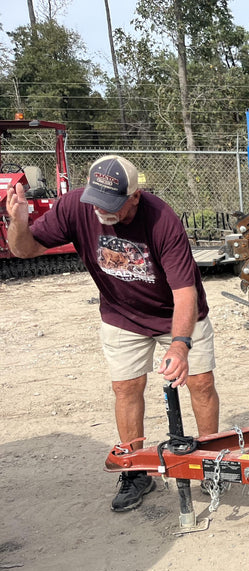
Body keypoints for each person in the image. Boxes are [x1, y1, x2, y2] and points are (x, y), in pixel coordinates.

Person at [5, 155, 220, 512]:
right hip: (121, 315)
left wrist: (180, 346)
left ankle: (211, 462)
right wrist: (18, 224)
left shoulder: (162, 220)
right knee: (126, 388)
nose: (101, 212)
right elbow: (25, 249)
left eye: (112, 205)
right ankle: (136, 471)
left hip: (177, 315)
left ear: (134, 196)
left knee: (200, 383)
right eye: (96, 202)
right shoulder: (75, 206)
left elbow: (185, 292)